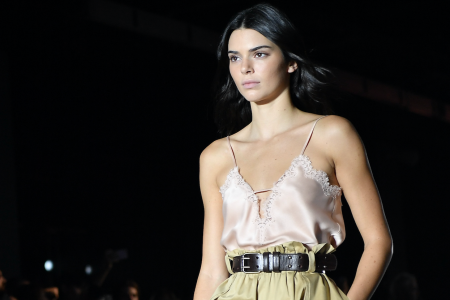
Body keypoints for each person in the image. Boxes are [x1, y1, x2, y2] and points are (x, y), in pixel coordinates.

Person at [193, 4, 393, 300]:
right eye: (235, 57)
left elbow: (379, 242)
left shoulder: (332, 134)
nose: (245, 67)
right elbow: (211, 269)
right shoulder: (215, 156)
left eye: (259, 54)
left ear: (291, 62)